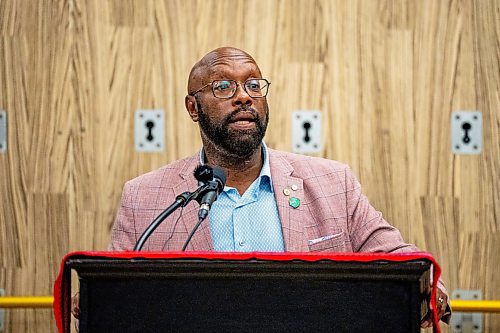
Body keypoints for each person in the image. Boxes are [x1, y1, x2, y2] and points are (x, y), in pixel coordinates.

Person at [106, 47, 450, 326]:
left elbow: (393, 252)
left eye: (254, 85)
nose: (244, 97)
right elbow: (115, 292)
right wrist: (99, 300)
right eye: (223, 87)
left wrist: (430, 287)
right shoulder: (145, 197)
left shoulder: (332, 183)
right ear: (193, 108)